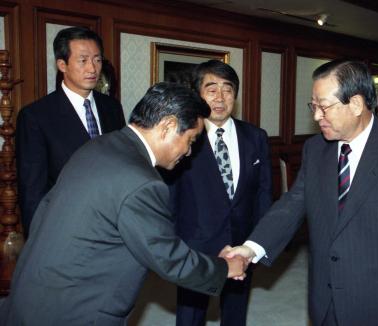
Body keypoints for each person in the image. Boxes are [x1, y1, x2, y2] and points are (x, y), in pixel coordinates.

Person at [0, 83, 247, 325]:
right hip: (74, 309)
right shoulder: (141, 182)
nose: (189, 151)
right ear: (168, 126)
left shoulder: (99, 145)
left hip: (33, 294)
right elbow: (168, 258)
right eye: (191, 140)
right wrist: (225, 267)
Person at [227, 60, 378, 326]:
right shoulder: (316, 149)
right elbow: (292, 204)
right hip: (324, 296)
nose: (316, 116)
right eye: (313, 106)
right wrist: (250, 249)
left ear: (356, 104)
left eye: (324, 106)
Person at [168, 60, 273, 326]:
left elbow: (263, 193)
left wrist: (257, 241)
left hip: (241, 244)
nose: (220, 97)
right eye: (211, 88)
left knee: (235, 314)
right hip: (196, 247)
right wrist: (174, 245)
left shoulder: (255, 136)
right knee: (191, 316)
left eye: (227, 89)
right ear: (198, 94)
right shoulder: (185, 136)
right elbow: (172, 195)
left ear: (235, 95)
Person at [16, 26, 125, 237]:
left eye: (97, 59)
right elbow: (32, 191)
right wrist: (38, 241)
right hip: (65, 228)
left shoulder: (112, 107)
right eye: (83, 60)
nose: (93, 68)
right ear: (62, 64)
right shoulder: (36, 116)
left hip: (113, 225)